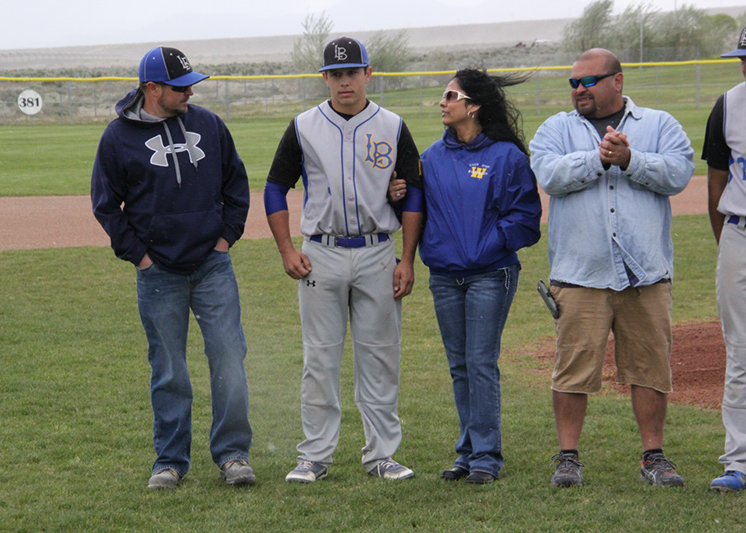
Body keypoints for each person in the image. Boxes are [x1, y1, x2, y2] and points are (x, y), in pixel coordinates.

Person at [91, 46, 255, 489]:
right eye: (180, 87)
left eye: (191, 85)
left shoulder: (208, 125)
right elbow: (107, 207)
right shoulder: (117, 138)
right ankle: (169, 461)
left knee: (229, 359)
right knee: (168, 369)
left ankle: (233, 454)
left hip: (212, 267)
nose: (189, 93)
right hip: (158, 273)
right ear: (152, 88)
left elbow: (236, 186)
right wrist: (140, 257)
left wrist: (224, 241)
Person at [529, 48, 694, 488]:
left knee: (650, 368)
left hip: (646, 274)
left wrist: (632, 160)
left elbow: (679, 172)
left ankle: (653, 457)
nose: (578, 90)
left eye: (588, 81)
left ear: (617, 81)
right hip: (580, 273)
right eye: (573, 83)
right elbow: (549, 174)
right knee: (573, 370)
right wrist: (600, 159)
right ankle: (567, 457)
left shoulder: (659, 125)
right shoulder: (556, 128)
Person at [264, 36, 424, 483]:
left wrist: (407, 259)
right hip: (322, 253)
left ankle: (381, 456)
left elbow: (414, 195)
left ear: (367, 74)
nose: (344, 81)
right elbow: (276, 187)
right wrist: (286, 249)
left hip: (377, 252)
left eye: (352, 72)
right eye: (335, 74)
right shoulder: (304, 125)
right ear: (325, 78)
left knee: (380, 358)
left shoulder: (392, 125)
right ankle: (315, 455)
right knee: (320, 359)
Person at [416, 69, 541, 485]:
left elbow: (525, 220)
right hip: (445, 278)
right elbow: (418, 209)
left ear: (473, 106)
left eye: (451, 95)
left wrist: (486, 247)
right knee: (459, 366)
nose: (442, 102)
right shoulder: (432, 157)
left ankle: (487, 457)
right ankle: (467, 453)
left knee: (480, 363)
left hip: (491, 275)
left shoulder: (507, 157)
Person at [704, 27, 746, 493]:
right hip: (740, 233)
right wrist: (727, 241)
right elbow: (717, 179)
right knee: (740, 353)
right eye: (742, 55)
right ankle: (739, 461)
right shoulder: (729, 104)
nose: (745, 64)